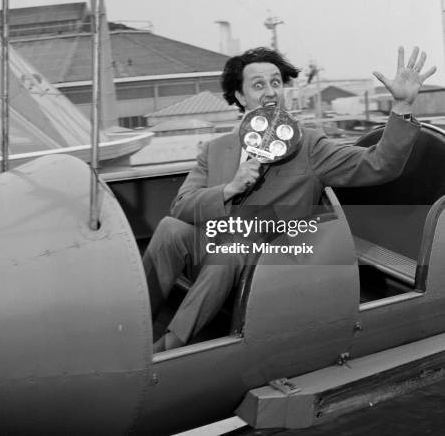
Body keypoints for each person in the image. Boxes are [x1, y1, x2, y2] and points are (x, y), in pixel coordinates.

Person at [143, 46, 436, 352]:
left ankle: (168, 349)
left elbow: (379, 164)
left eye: (276, 83)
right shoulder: (215, 149)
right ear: (240, 97)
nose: (270, 92)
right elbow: (181, 206)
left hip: (272, 261)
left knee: (234, 246)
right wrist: (230, 188)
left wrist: (402, 106)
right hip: (214, 250)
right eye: (258, 85)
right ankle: (137, 329)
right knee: (168, 229)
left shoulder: (308, 144)